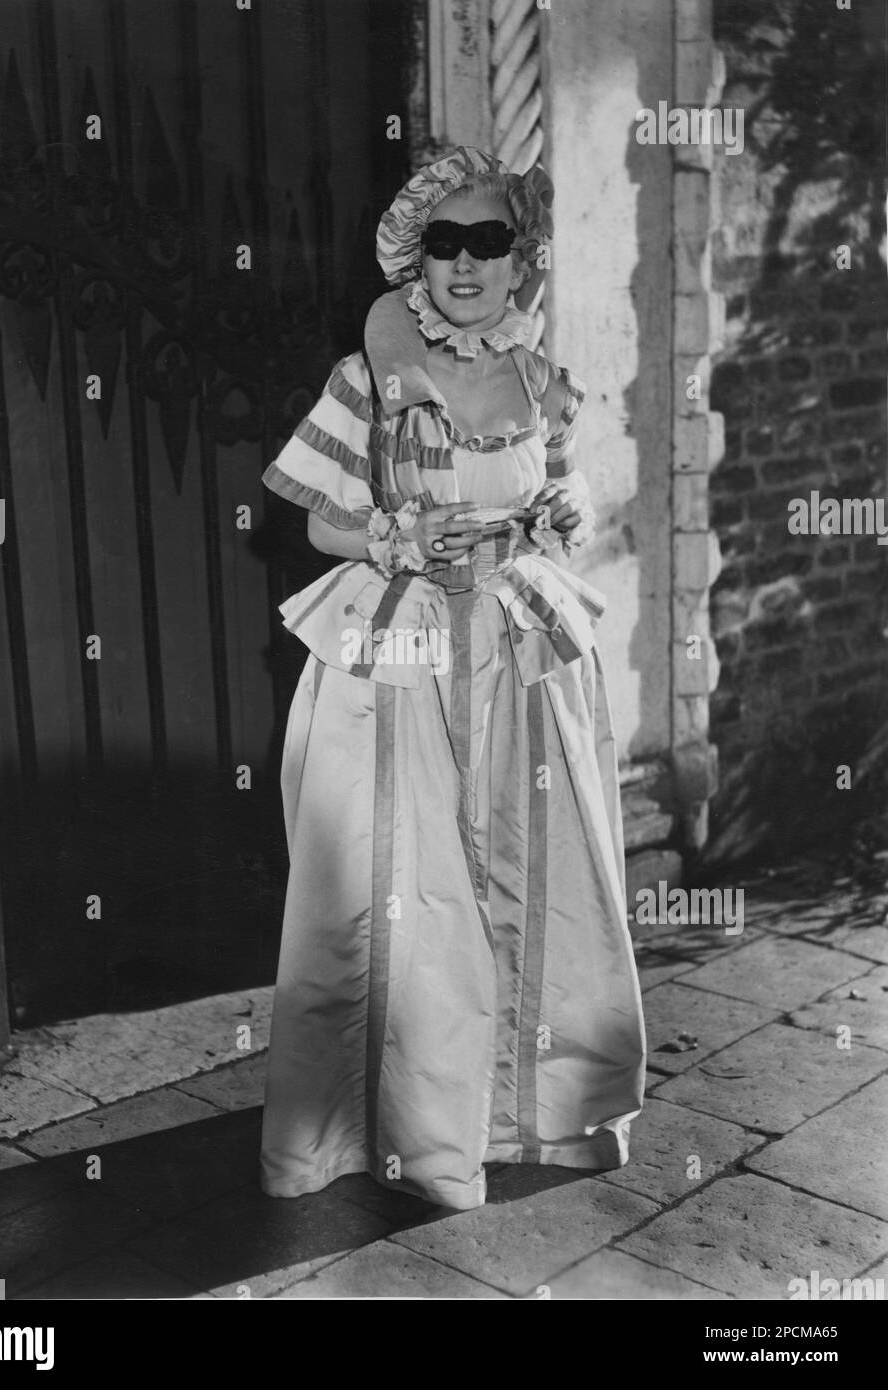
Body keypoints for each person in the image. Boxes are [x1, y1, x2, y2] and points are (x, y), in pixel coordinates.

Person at [259, 146, 645, 1212]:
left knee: (532, 875)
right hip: (406, 650)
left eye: (489, 243)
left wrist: (559, 517)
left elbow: (561, 493)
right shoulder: (365, 379)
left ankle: (527, 1115)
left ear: (520, 261)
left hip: (512, 651)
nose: (465, 264)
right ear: (414, 257)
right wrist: (393, 536)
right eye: (445, 243)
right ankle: (399, 1135)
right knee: (403, 891)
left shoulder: (537, 378)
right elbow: (314, 518)